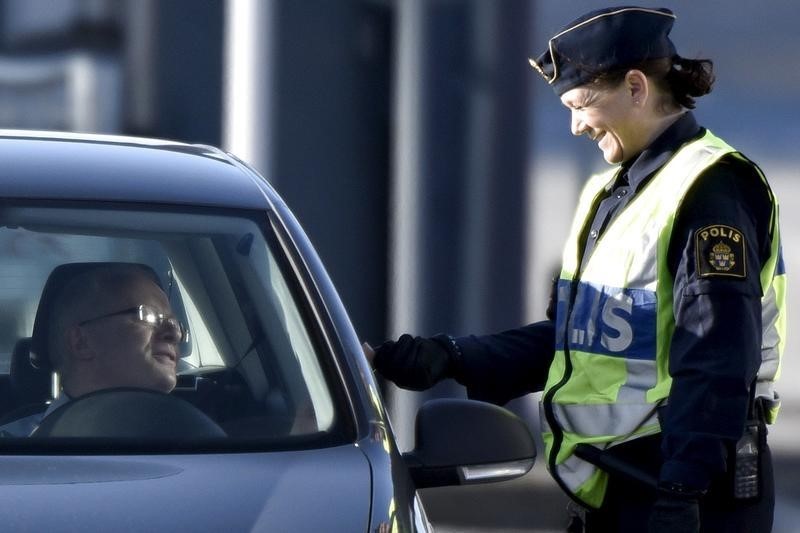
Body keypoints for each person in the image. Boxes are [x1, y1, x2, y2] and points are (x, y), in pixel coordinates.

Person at [365, 6, 785, 533]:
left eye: (581, 104)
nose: (574, 125)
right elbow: (574, 342)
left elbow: (719, 359)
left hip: (686, 499)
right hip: (624, 493)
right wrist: (448, 357)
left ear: (636, 87)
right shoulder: (615, 192)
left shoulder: (711, 189)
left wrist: (684, 491)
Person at [0, 263, 185, 436]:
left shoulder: (203, 440)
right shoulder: (11, 452)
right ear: (81, 342)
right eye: (149, 315)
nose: (174, 333)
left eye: (174, 323)